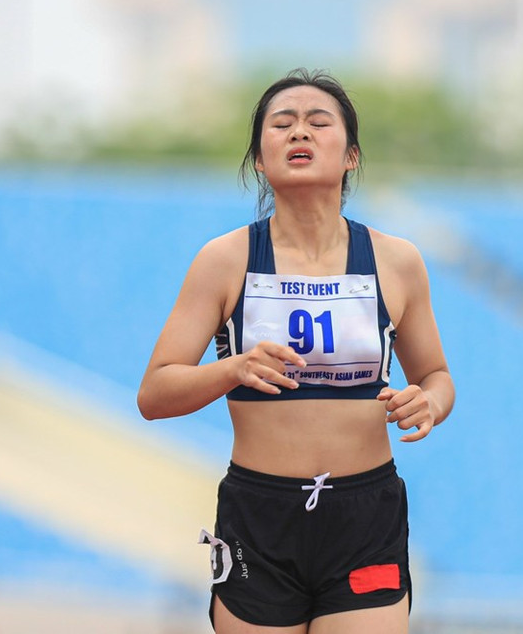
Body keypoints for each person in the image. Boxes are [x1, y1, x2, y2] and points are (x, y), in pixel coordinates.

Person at [137, 69, 454, 634]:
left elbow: (436, 376)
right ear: (260, 159)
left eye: (318, 122)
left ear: (351, 154)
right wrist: (233, 368)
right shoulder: (226, 260)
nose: (298, 133)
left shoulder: (397, 261)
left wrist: (427, 403)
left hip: (365, 514)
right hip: (261, 517)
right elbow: (155, 393)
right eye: (281, 124)